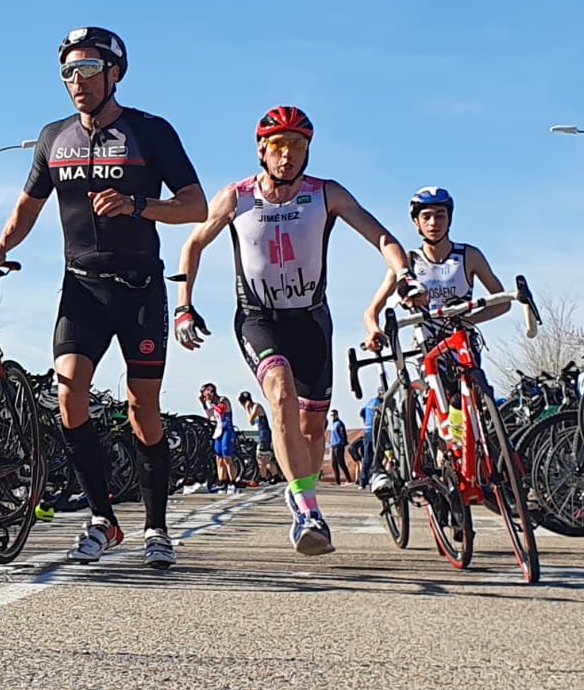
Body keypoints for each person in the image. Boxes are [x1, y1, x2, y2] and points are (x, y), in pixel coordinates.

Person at [0, 26, 206, 568]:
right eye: (67, 74)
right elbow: (27, 207)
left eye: (86, 71)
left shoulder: (151, 131)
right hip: (80, 286)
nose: (76, 83)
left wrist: (137, 205)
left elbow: (194, 207)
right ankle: (105, 519)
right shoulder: (53, 137)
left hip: (139, 288)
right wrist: (1, 245)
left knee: (141, 408)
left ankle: (156, 526)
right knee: (68, 396)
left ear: (114, 74)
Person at [172, 106, 417, 556]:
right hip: (259, 318)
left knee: (312, 426)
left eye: (298, 147)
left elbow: (382, 237)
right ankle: (307, 511)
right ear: (262, 150)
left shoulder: (326, 193)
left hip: (311, 320)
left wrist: (403, 272)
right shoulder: (237, 196)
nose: (287, 157)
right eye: (279, 147)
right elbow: (193, 243)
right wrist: (184, 307)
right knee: (279, 391)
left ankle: (299, 486)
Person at [362, 187, 507, 497]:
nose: (433, 222)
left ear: (450, 218)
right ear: (416, 223)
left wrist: (467, 320)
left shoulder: (469, 256)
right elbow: (371, 310)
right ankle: (443, 460)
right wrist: (373, 329)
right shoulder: (408, 262)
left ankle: (486, 470)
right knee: (443, 410)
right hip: (429, 349)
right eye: (426, 216)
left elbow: (501, 301)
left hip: (464, 345)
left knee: (478, 407)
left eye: (440, 215)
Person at [199, 382, 239, 491]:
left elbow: (220, 410)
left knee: (227, 457)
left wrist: (210, 402)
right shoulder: (211, 404)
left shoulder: (222, 400)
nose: (206, 397)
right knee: (219, 458)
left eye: (207, 394)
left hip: (227, 429)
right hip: (218, 431)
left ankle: (233, 482)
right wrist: (204, 404)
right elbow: (210, 415)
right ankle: (222, 481)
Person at [240, 391, 279, 482]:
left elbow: (250, 420)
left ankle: (272, 475)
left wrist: (247, 409)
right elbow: (253, 423)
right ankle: (264, 476)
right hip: (262, 433)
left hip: (264, 434)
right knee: (262, 458)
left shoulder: (257, 407)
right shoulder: (253, 408)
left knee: (261, 456)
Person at [357, 384, 383, 487]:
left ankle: (363, 481)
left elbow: (361, 413)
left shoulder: (370, 402)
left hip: (368, 431)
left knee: (368, 456)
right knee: (379, 454)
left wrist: (365, 423)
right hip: (376, 431)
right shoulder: (379, 404)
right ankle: (375, 476)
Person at [327, 409, 350, 484]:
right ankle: (337, 481)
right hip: (333, 445)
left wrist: (344, 441)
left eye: (334, 415)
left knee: (341, 462)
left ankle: (349, 479)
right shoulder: (333, 424)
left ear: (337, 415)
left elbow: (343, 433)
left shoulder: (339, 423)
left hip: (339, 445)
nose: (333, 416)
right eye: (331, 415)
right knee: (334, 463)